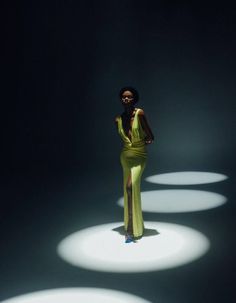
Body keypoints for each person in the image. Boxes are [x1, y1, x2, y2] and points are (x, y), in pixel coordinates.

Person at [115, 86, 154, 243]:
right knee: (127, 189)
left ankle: (131, 229)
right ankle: (132, 227)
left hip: (139, 156)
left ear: (134, 99)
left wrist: (141, 143)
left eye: (129, 97)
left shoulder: (140, 113)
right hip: (125, 157)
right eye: (123, 97)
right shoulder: (118, 119)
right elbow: (124, 139)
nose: (126, 99)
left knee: (131, 186)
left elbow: (151, 136)